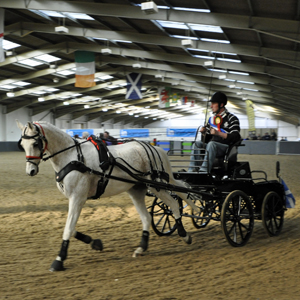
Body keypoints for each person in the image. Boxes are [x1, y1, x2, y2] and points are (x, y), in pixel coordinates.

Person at [188, 91, 241, 173]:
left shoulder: (232, 118)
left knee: (212, 144)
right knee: (197, 144)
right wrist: (204, 133)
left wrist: (218, 133)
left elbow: (235, 137)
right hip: (212, 146)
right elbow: (206, 140)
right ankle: (192, 170)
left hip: (226, 148)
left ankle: (204, 171)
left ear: (221, 104)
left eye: (213, 103)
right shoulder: (211, 120)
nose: (211, 106)